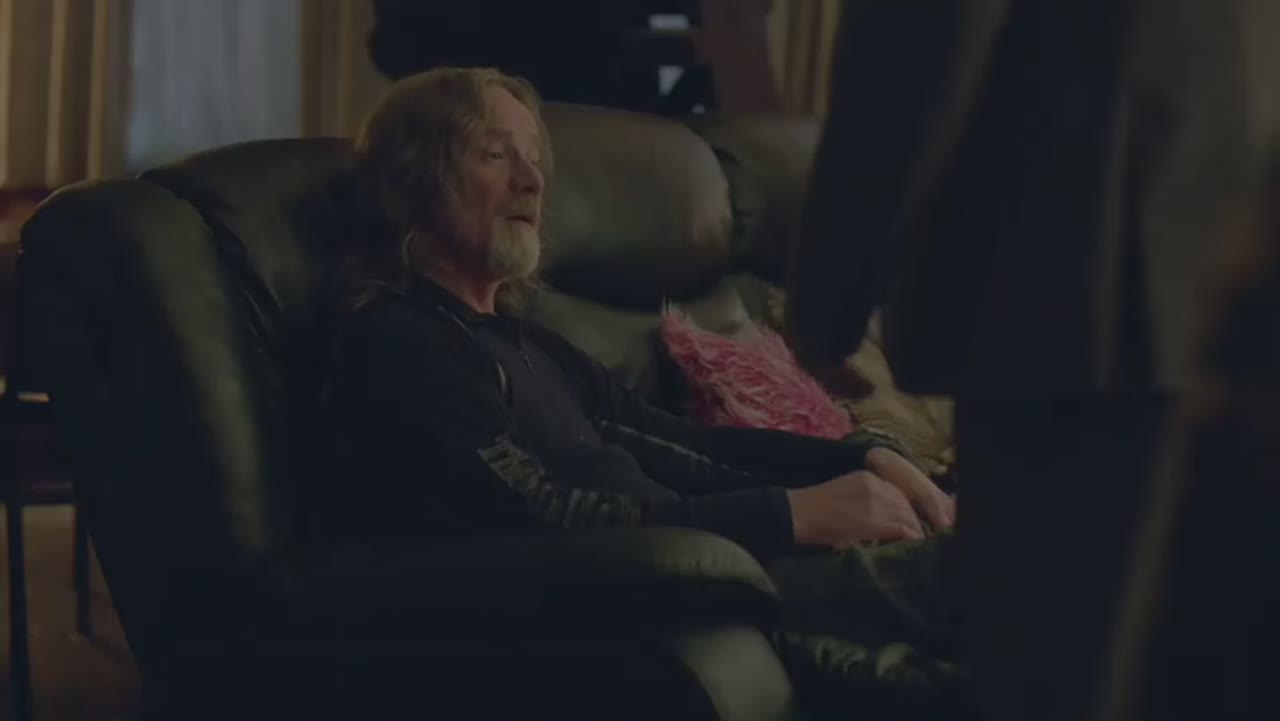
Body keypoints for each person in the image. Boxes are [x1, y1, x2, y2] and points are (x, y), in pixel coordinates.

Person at [320, 66, 969, 717]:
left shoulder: (529, 343)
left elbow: (682, 444)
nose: (532, 180)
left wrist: (861, 458)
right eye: (495, 154)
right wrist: (790, 515)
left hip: (714, 567)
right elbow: (542, 515)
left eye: (534, 157)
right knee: (982, 571)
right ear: (414, 179)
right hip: (655, 592)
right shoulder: (402, 344)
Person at [783, 1, 1266, 719]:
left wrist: (827, 302)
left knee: (1064, 679)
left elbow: (915, 56)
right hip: (1209, 271)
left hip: (1075, 291)